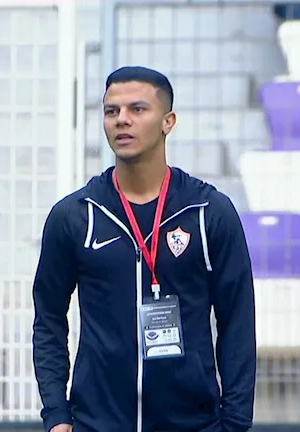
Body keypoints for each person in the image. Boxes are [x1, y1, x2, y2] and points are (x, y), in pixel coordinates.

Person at [32, 66, 256, 432]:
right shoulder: (76, 216)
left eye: (137, 109)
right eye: (112, 111)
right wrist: (57, 414)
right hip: (97, 424)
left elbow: (238, 323)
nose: (122, 119)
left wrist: (235, 423)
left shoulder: (208, 212)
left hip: (193, 425)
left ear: (168, 121)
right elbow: (48, 318)